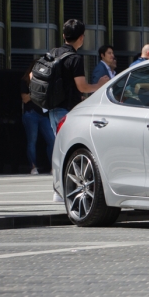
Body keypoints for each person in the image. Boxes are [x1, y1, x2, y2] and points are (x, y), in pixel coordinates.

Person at [48, 20, 110, 200]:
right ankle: (63, 191)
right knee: (72, 151)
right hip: (67, 111)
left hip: (52, 109)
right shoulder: (75, 59)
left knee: (60, 150)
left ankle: (58, 190)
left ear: (63, 36)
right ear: (82, 38)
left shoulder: (53, 53)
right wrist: (99, 85)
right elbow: (82, 86)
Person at [20, 62, 54, 174]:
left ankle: (53, 166)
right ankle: (33, 166)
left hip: (44, 114)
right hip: (31, 113)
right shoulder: (26, 81)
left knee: (52, 140)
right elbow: (25, 99)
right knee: (32, 141)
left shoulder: (46, 81)